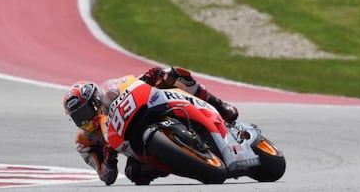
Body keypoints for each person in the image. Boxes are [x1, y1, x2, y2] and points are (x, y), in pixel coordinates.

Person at [63, 66, 238, 186]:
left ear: (96, 100)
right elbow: (106, 177)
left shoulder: (109, 92)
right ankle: (183, 161)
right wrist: (109, 160)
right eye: (78, 117)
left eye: (85, 112)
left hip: (142, 112)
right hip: (132, 143)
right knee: (135, 173)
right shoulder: (84, 142)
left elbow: (130, 85)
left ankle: (220, 106)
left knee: (172, 74)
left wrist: (149, 76)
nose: (84, 120)